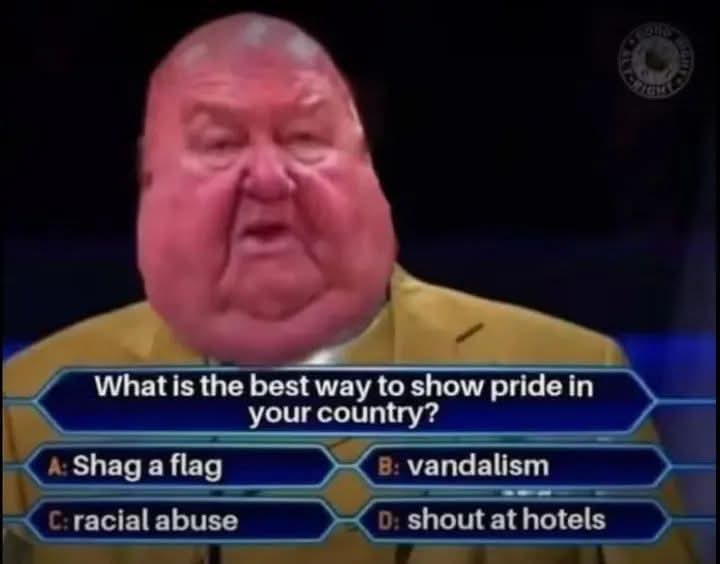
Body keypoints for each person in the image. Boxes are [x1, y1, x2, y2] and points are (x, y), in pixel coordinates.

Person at [3, 12, 697, 564]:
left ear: (366, 167)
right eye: (219, 144)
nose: (269, 179)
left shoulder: (572, 383)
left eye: (305, 137)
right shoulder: (34, 411)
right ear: (149, 183)